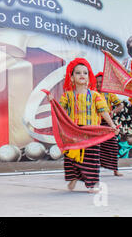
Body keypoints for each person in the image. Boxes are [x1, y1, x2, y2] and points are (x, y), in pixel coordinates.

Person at [52, 58, 118, 193]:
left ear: (89, 77)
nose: (82, 75)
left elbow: (103, 112)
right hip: (73, 131)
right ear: (71, 77)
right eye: (78, 73)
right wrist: (52, 101)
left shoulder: (95, 95)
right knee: (71, 157)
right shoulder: (67, 96)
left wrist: (112, 125)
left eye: (85, 73)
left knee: (91, 157)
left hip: (91, 132)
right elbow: (60, 111)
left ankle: (92, 184)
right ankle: (74, 178)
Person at [95, 72, 124, 176]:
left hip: (107, 123)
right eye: (96, 82)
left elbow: (120, 106)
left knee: (113, 145)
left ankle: (115, 170)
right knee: (96, 147)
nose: (98, 84)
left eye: (101, 82)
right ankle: (95, 170)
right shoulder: (92, 93)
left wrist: (113, 112)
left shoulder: (109, 93)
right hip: (96, 123)